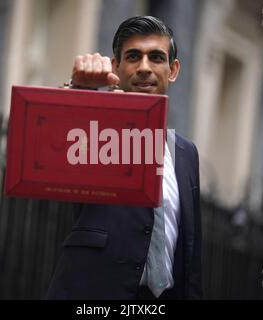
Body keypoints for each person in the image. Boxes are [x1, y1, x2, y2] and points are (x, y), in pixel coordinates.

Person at [46, 15, 202, 300]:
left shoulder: (186, 153)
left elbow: (190, 252)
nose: (144, 67)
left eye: (156, 57)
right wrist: (82, 91)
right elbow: (52, 151)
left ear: (173, 70)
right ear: (116, 67)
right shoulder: (98, 131)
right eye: (133, 56)